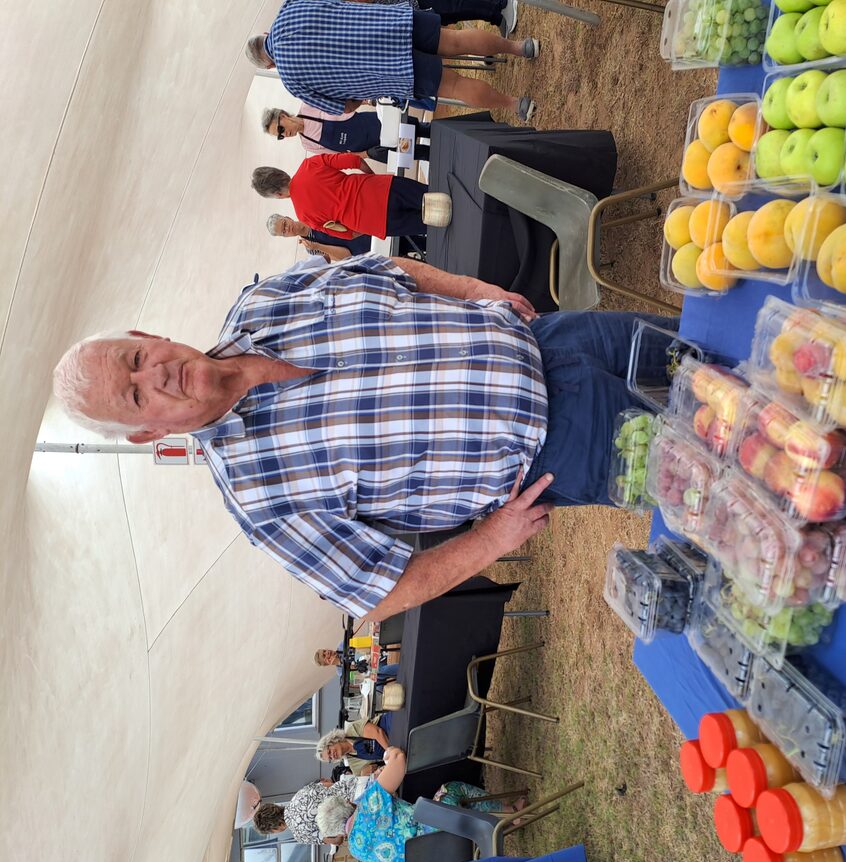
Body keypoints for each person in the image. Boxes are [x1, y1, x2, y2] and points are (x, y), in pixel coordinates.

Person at [51, 253, 679, 621]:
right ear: (148, 433)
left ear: (147, 335)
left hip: (556, 339)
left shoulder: (262, 304)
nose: (156, 376)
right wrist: (491, 540)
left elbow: (388, 269)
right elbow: (376, 594)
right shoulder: (260, 500)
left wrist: (476, 291)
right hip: (563, 448)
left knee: (708, 360)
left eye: (137, 359)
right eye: (137, 396)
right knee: (717, 462)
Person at [244, 0, 540, 122]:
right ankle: (521, 47)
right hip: (389, 22)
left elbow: (342, 107)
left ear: (268, 65)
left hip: (389, 71)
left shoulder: (291, 80)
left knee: (454, 86)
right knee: (456, 40)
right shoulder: (290, 7)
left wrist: (362, 95)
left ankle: (516, 104)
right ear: (265, 33)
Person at [317, 747, 519, 862]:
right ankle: (510, 812)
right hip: (444, 830)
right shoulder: (369, 804)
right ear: (347, 803)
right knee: (451, 789)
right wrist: (388, 754)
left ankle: (497, 826)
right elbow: (399, 759)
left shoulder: (355, 851)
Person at [252, 159, 425, 241]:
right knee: (431, 197)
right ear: (281, 172)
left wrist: (366, 224)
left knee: (428, 223)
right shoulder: (308, 165)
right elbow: (355, 161)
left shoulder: (304, 216)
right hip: (379, 188)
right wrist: (372, 179)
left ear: (277, 195)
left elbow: (348, 234)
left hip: (375, 222)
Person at [261, 105, 432, 164]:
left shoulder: (308, 106)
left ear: (283, 116)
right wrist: (366, 154)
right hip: (372, 149)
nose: (285, 134)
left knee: (418, 128)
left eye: (281, 129)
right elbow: (338, 156)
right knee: (416, 153)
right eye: (280, 136)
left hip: (371, 125)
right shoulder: (307, 144)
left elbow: (342, 101)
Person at [251, 776, 359, 844]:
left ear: (275, 828)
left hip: (357, 816)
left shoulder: (300, 835)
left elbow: (336, 840)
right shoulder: (299, 794)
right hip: (357, 787)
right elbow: (331, 785)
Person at [267, 214, 373, 263]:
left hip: (369, 226)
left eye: (285, 224)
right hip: (370, 251)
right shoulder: (311, 248)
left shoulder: (312, 214)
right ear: (285, 237)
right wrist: (318, 246)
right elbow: (346, 256)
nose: (287, 228)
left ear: (288, 218)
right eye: (284, 232)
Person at [316, 713, 394, 776]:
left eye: (329, 752)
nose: (332, 756)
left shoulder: (351, 730)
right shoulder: (353, 764)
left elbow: (378, 732)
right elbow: (372, 772)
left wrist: (391, 752)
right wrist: (363, 773)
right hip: (394, 750)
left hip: (391, 726)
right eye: (330, 758)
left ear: (332, 741)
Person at [314, 646, 399, 683]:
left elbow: (363, 648)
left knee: (379, 672)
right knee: (377, 690)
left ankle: (403, 669)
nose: (327, 652)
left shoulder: (342, 645)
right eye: (324, 655)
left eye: (324, 651)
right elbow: (359, 678)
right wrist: (339, 662)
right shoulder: (340, 672)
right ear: (327, 663)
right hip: (373, 673)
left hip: (375, 655)